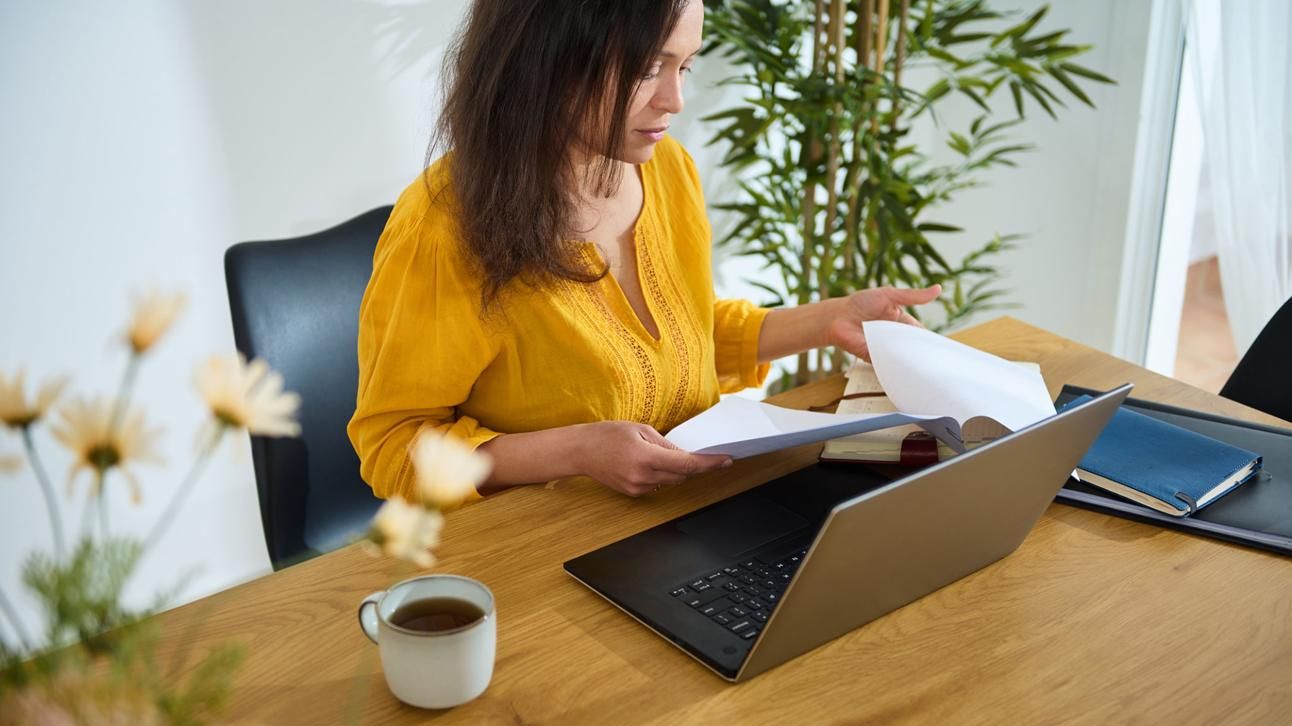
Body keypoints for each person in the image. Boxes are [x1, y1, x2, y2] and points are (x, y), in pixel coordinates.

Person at [347, 0, 939, 502]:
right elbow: (394, 448)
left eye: (686, 63)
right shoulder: (445, 224)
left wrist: (830, 319)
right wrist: (576, 451)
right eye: (647, 68)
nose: (675, 99)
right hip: (537, 555)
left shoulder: (669, 171)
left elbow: (680, 335)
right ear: (547, 59)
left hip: (683, 514)